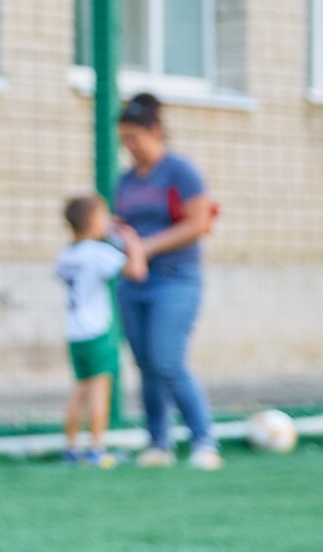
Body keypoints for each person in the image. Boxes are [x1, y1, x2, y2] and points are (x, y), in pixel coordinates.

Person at [113, 93, 222, 470]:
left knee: (168, 360)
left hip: (175, 279)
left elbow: (199, 222)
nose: (129, 147)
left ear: (155, 131)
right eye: (123, 140)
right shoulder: (125, 181)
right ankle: (158, 443)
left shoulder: (180, 172)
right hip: (134, 283)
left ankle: (204, 440)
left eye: (135, 138)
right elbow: (121, 226)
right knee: (145, 365)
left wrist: (148, 246)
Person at [55, 194, 146, 468]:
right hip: (97, 331)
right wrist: (132, 242)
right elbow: (137, 271)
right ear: (94, 221)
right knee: (99, 390)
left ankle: (71, 449)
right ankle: (96, 448)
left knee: (78, 390)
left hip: (74, 332)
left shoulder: (67, 254)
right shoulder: (99, 253)